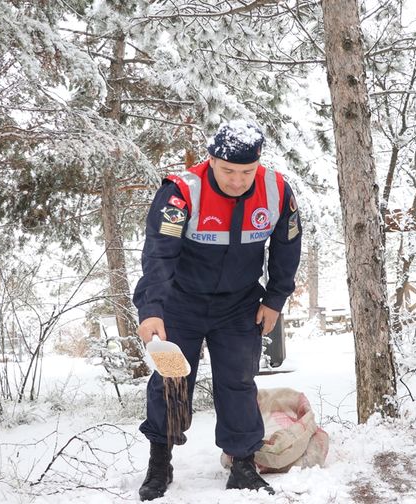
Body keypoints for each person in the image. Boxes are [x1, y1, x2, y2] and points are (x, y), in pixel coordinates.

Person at [133, 120, 303, 500]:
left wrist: (275, 299)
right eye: (228, 171)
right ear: (211, 160)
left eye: (247, 172)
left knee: (239, 382)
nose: (238, 180)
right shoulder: (181, 194)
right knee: (171, 381)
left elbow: (288, 247)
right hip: (181, 305)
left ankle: (243, 464)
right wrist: (152, 309)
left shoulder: (276, 191)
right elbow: (159, 255)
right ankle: (160, 460)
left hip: (239, 306)